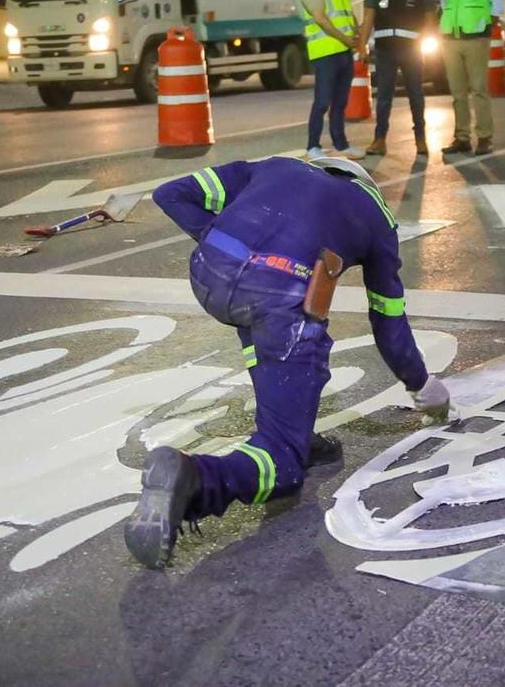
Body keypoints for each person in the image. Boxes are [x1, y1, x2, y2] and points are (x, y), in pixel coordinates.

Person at [125, 156, 451, 569]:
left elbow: (170, 194)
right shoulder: (376, 215)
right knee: (283, 464)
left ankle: (292, 422)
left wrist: (222, 241)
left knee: (260, 331)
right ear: (364, 183)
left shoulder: (274, 166)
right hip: (279, 294)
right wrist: (422, 385)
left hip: (209, 273)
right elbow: (388, 324)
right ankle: (194, 477)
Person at [357, 0, 439, 157]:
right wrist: (362, 45)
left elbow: (431, 19)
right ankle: (379, 139)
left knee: (415, 94)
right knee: (384, 96)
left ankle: (420, 139)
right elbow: (369, 16)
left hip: (411, 50)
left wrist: (429, 43)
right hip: (385, 50)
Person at [440, 0, 504, 157]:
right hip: (451, 39)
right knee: (457, 93)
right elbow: (445, 4)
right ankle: (462, 137)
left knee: (479, 89)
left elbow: (497, 4)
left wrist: (485, 28)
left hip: (476, 38)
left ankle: (485, 137)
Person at [302, 0, 366, 160]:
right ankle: (313, 146)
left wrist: (358, 40)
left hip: (344, 53)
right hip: (326, 54)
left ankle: (341, 144)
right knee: (322, 102)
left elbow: (350, 18)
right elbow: (321, 19)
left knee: (340, 103)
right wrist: (345, 39)